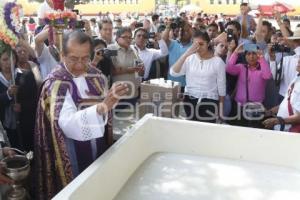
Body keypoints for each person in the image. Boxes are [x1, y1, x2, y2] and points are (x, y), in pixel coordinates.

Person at [34, 30, 128, 199]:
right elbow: (66, 124)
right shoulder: (55, 83)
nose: (79, 65)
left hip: (97, 147)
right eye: (73, 59)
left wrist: (111, 100)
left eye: (85, 58)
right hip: (69, 153)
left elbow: (106, 111)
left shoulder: (96, 76)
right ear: (62, 55)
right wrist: (101, 108)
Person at [170, 30, 226, 123]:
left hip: (209, 102)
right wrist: (186, 54)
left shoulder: (218, 62)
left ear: (208, 44)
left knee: (206, 131)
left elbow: (221, 88)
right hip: (189, 100)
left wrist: (220, 109)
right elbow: (173, 73)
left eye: (201, 44)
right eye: (195, 44)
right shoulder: (190, 59)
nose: (198, 47)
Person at [226, 43, 272, 128]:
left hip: (255, 109)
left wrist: (261, 58)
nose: (251, 56)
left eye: (254, 53)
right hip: (239, 107)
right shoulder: (241, 67)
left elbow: (267, 75)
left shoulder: (262, 68)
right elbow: (228, 68)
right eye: (248, 54)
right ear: (245, 56)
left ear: (258, 55)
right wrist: (235, 52)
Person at [263, 58, 300, 133]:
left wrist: (277, 121)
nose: (298, 60)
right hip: (281, 129)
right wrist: (270, 111)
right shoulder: (297, 77)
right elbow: (289, 101)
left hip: (290, 132)